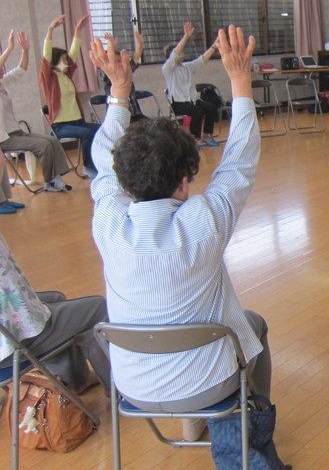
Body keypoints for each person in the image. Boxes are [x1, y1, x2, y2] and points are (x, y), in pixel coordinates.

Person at [90, 25, 271, 441]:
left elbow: (103, 158)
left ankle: (194, 426)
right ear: (186, 181)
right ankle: (248, 431)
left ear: (125, 185)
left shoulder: (109, 221)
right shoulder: (203, 221)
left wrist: (119, 91)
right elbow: (240, 159)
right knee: (254, 324)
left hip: (132, 388)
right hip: (209, 383)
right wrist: (241, 79)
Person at [0, 234, 110, 393]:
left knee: (57, 300)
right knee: (98, 309)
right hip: (8, 350)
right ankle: (118, 390)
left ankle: (76, 380)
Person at [1, 29, 74, 193]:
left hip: (17, 132)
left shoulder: (4, 82)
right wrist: (10, 48)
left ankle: (56, 178)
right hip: (5, 138)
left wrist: (25, 50)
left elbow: (21, 69)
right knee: (43, 145)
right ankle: (49, 182)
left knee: (52, 140)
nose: (3, 69)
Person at [38, 14, 100, 177]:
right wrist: (50, 30)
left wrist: (78, 31)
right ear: (55, 61)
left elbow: (73, 52)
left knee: (101, 129)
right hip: (60, 126)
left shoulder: (66, 75)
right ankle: (88, 167)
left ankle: (99, 164)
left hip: (77, 122)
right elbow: (46, 57)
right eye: (64, 60)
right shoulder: (49, 78)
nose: (68, 62)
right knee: (87, 133)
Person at [162, 22, 220, 147]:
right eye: (179, 51)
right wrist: (186, 37)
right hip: (178, 103)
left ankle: (206, 135)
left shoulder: (187, 67)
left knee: (210, 107)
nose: (182, 53)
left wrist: (215, 45)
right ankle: (194, 139)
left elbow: (202, 59)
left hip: (192, 101)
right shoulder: (168, 69)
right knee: (197, 111)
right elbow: (174, 55)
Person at [98, 28, 146, 121]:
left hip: (135, 114)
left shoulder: (126, 72)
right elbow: (106, 65)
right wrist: (111, 45)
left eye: (120, 61)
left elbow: (135, 58)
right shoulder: (108, 75)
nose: (120, 64)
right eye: (116, 61)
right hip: (119, 118)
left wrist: (140, 45)